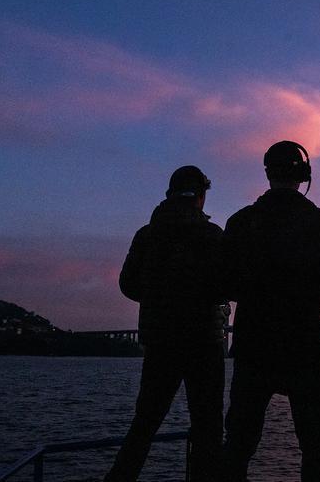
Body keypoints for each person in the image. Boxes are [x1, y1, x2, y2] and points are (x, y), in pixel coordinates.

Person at [221, 140, 320, 482]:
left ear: (267, 173)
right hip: (305, 347)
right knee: (317, 448)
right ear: (304, 175)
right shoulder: (319, 222)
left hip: (253, 347)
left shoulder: (241, 222)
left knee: (239, 446)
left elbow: (227, 286)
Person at [105, 165, 226, 482]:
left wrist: (157, 296)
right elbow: (228, 284)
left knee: (145, 422)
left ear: (169, 194)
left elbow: (128, 285)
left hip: (161, 343)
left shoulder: (147, 235)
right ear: (201, 197)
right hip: (206, 344)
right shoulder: (213, 236)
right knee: (208, 426)